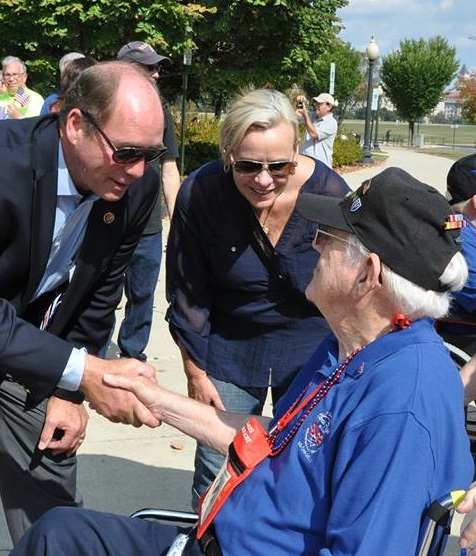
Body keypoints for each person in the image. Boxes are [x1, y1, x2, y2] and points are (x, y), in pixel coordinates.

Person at [9, 166, 474, 556]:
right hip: (212, 536)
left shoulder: (403, 402)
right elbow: (277, 438)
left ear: (367, 274)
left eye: (327, 238)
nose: (311, 246)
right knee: (57, 534)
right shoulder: (352, 343)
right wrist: (153, 397)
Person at [0, 60, 167, 543]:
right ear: (76, 126)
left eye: (150, 155)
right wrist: (88, 373)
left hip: (25, 347)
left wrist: (68, 391)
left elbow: (97, 296)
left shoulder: (135, 190)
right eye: (127, 152)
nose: (138, 171)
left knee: (57, 513)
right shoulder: (5, 166)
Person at [165, 87, 350, 509]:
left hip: (310, 349)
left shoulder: (328, 194)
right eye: (248, 165)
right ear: (227, 152)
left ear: (297, 150)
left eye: (279, 165)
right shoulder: (202, 193)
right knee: (217, 471)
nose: (264, 180)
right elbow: (187, 291)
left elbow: (352, 289)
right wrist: (195, 373)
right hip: (227, 349)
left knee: (304, 469)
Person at [115, 40, 180, 362]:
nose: (156, 74)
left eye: (157, 68)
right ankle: (90, 360)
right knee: (97, 294)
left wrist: (180, 218)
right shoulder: (105, 107)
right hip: (106, 220)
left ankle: (131, 356)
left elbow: (169, 166)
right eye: (148, 67)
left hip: (149, 225)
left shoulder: (160, 111)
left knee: (141, 296)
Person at [296, 92, 338, 168]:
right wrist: (300, 102)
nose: (316, 105)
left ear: (329, 107)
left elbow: (314, 134)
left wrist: (305, 115)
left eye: (320, 104)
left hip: (321, 166)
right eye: (316, 103)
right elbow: (295, 116)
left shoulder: (331, 122)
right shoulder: (312, 115)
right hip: (305, 164)